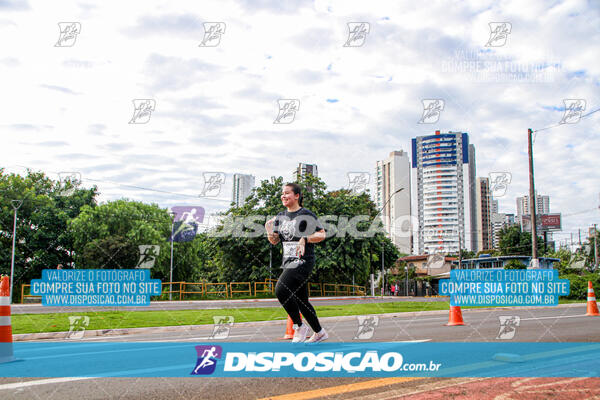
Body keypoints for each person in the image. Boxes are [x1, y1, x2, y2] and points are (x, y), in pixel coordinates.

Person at [265, 183, 327, 343]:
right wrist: (268, 230)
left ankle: (299, 326)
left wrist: (305, 238)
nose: (283, 196)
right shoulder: (280, 216)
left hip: (303, 260)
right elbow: (275, 241)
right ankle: (319, 332)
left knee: (281, 289)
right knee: (301, 301)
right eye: (282, 194)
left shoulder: (305, 214)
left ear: (297, 196)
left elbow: (322, 234)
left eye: (287, 193)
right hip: (288, 261)